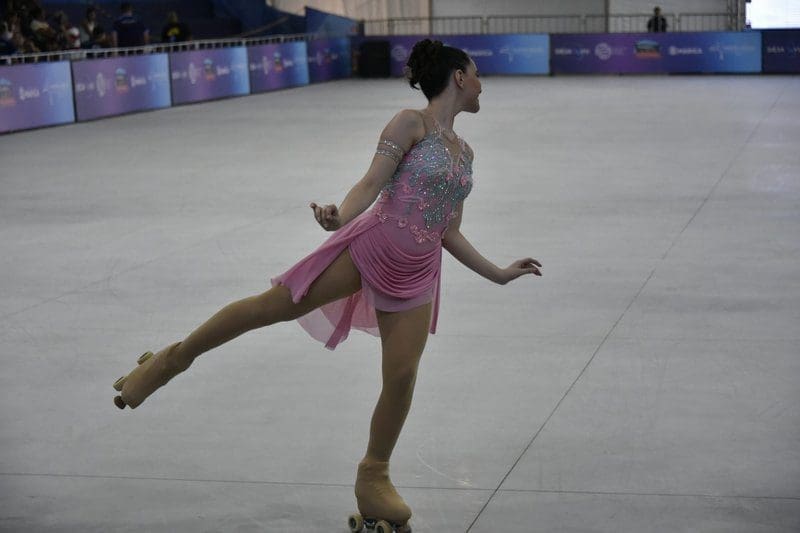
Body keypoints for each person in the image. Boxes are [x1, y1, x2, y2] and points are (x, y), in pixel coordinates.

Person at [111, 38, 542, 532]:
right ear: (459, 78)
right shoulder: (410, 123)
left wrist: (498, 273)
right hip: (371, 246)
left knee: (402, 378)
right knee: (273, 306)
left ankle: (374, 475)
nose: (483, 83)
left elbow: (449, 230)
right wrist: (340, 217)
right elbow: (370, 183)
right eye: (477, 73)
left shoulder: (465, 154)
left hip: (419, 273)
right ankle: (171, 360)